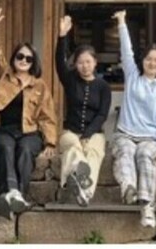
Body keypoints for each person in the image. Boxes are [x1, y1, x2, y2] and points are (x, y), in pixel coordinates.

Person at [0, 6, 58, 219]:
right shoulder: (4, 75)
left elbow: (47, 115)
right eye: (20, 56)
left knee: (26, 151)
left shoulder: (40, 85)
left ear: (34, 62)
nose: (24, 61)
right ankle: (12, 192)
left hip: (29, 132)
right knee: (5, 148)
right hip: (5, 130)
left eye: (29, 58)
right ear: (14, 58)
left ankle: (16, 194)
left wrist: (51, 142)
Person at [111, 9, 156, 229]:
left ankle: (147, 207)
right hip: (125, 133)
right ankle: (129, 188)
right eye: (149, 59)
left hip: (150, 137)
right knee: (126, 150)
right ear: (143, 60)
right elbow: (126, 51)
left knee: (145, 154)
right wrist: (122, 22)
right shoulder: (132, 76)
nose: (152, 63)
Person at [55, 14, 112, 206]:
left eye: (88, 62)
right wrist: (62, 37)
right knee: (74, 148)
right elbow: (60, 64)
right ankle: (83, 186)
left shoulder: (103, 86)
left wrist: (87, 134)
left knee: (94, 152)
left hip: (95, 132)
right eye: (80, 62)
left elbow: (102, 114)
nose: (84, 66)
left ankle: (84, 191)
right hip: (70, 132)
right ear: (76, 64)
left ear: (95, 62)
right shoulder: (70, 80)